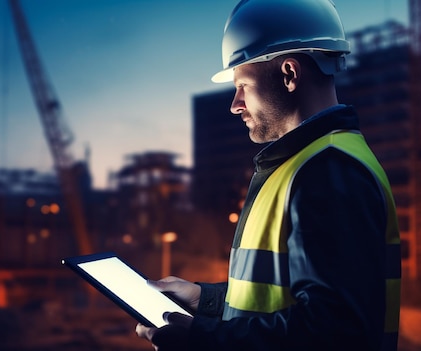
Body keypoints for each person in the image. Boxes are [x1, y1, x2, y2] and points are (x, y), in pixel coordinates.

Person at [136, 0, 401, 350]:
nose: (235, 104)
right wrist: (206, 299)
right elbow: (280, 296)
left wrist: (202, 341)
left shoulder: (328, 172)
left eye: (243, 85)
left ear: (289, 74)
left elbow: (335, 334)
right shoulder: (304, 164)